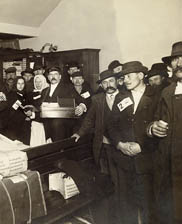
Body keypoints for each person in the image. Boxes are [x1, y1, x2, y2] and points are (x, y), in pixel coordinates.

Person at [107, 61, 158, 224]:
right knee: (126, 205)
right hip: (124, 161)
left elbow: (163, 127)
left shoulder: (156, 95)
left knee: (149, 204)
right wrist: (120, 145)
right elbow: (111, 126)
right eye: (123, 77)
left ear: (141, 76)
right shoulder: (121, 97)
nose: (126, 80)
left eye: (129, 76)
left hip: (148, 160)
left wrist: (142, 146)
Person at [72, 69, 124, 223]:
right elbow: (89, 119)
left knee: (120, 179)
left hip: (120, 147)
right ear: (101, 85)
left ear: (117, 82)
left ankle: (121, 212)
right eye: (105, 82)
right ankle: (107, 214)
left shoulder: (125, 97)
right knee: (104, 179)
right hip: (102, 146)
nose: (108, 85)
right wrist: (79, 133)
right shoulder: (97, 99)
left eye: (111, 81)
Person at [149, 41, 182, 224]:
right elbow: (155, 120)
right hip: (168, 166)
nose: (179, 64)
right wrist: (153, 127)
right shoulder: (167, 92)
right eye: (175, 60)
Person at [41, 66, 87, 141]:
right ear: (48, 77)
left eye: (55, 74)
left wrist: (81, 106)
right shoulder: (44, 91)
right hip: (48, 119)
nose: (53, 76)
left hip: (64, 120)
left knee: (56, 124)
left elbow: (80, 99)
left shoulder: (68, 87)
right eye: (51, 75)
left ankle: (59, 149)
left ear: (60, 76)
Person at [6, 77, 31, 145]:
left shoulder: (25, 94)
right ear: (15, 84)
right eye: (18, 83)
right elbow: (12, 111)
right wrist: (24, 117)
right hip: (14, 125)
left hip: (24, 123)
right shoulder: (11, 95)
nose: (20, 86)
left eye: (22, 83)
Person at [28, 74, 49, 146]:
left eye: (40, 82)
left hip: (46, 119)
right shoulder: (31, 93)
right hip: (35, 119)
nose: (38, 84)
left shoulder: (48, 92)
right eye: (36, 82)